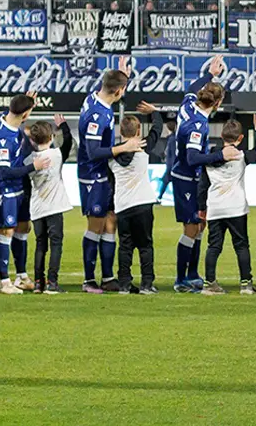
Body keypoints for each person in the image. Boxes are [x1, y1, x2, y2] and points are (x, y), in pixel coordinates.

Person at [77, 57, 146, 294]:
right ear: (118, 91)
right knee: (95, 226)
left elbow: (110, 83)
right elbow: (93, 151)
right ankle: (88, 281)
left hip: (103, 174)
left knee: (110, 223)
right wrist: (123, 147)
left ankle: (107, 278)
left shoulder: (96, 99)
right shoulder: (98, 115)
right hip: (92, 176)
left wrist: (122, 75)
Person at [170, 61, 231, 293]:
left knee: (199, 225)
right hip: (186, 178)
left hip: (193, 178)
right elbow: (193, 157)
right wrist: (220, 155)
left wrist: (209, 74)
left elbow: (191, 86)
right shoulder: (199, 125)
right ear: (217, 103)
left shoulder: (187, 104)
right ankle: (180, 279)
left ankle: (193, 273)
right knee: (191, 227)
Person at [199, 120, 256, 295]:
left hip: (216, 208)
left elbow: (202, 185)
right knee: (241, 246)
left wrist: (201, 207)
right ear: (240, 138)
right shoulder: (242, 156)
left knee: (213, 246)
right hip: (236, 208)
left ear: (221, 136)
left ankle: (209, 283)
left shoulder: (210, 157)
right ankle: (246, 284)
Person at [0, 94, 39, 295]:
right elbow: (4, 171)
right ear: (25, 114)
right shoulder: (2, 138)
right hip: (4, 188)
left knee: (24, 227)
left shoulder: (6, 117)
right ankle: (4, 281)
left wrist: (26, 98)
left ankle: (21, 275)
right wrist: (33, 166)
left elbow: (16, 107)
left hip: (19, 186)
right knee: (6, 230)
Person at [109, 110, 165, 295]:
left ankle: (124, 284)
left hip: (123, 204)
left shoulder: (113, 152)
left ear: (121, 131)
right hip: (143, 202)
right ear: (138, 131)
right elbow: (157, 130)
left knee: (125, 245)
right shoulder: (143, 146)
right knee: (145, 245)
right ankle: (147, 284)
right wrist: (154, 113)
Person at [25, 117, 74, 293]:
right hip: (54, 207)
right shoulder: (57, 154)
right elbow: (69, 142)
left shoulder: (29, 160)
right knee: (56, 245)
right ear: (52, 137)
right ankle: (52, 283)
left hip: (37, 208)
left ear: (32, 140)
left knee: (40, 245)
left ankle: (39, 283)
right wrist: (64, 126)